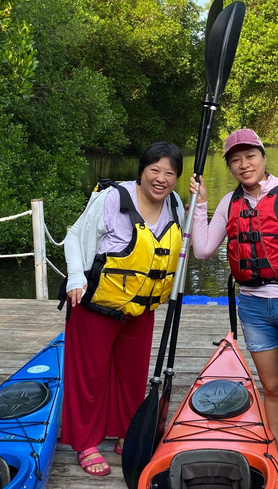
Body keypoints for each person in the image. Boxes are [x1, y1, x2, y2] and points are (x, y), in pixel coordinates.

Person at [188, 128, 278, 489]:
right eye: (235, 159)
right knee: (272, 390)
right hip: (252, 308)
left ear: (263, 157)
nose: (243, 164)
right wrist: (200, 203)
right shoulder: (229, 203)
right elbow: (203, 250)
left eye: (249, 156)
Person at [60, 142, 185, 476]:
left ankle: (127, 433)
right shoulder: (113, 198)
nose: (161, 179)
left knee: (132, 379)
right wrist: (75, 276)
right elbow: (74, 236)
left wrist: (200, 207)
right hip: (96, 303)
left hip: (140, 310)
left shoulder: (175, 204)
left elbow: (192, 247)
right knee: (89, 378)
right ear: (141, 171)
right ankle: (85, 442)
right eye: (155, 170)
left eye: (170, 173)